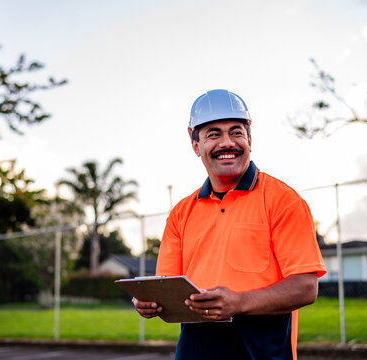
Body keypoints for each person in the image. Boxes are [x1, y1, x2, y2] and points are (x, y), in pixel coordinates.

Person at [133, 89, 326, 360]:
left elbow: (306, 287)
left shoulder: (284, 200)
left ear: (250, 138)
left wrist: (239, 303)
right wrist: (149, 301)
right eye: (214, 134)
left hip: (264, 352)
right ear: (195, 144)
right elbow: (169, 287)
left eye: (236, 132)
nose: (227, 142)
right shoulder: (181, 213)